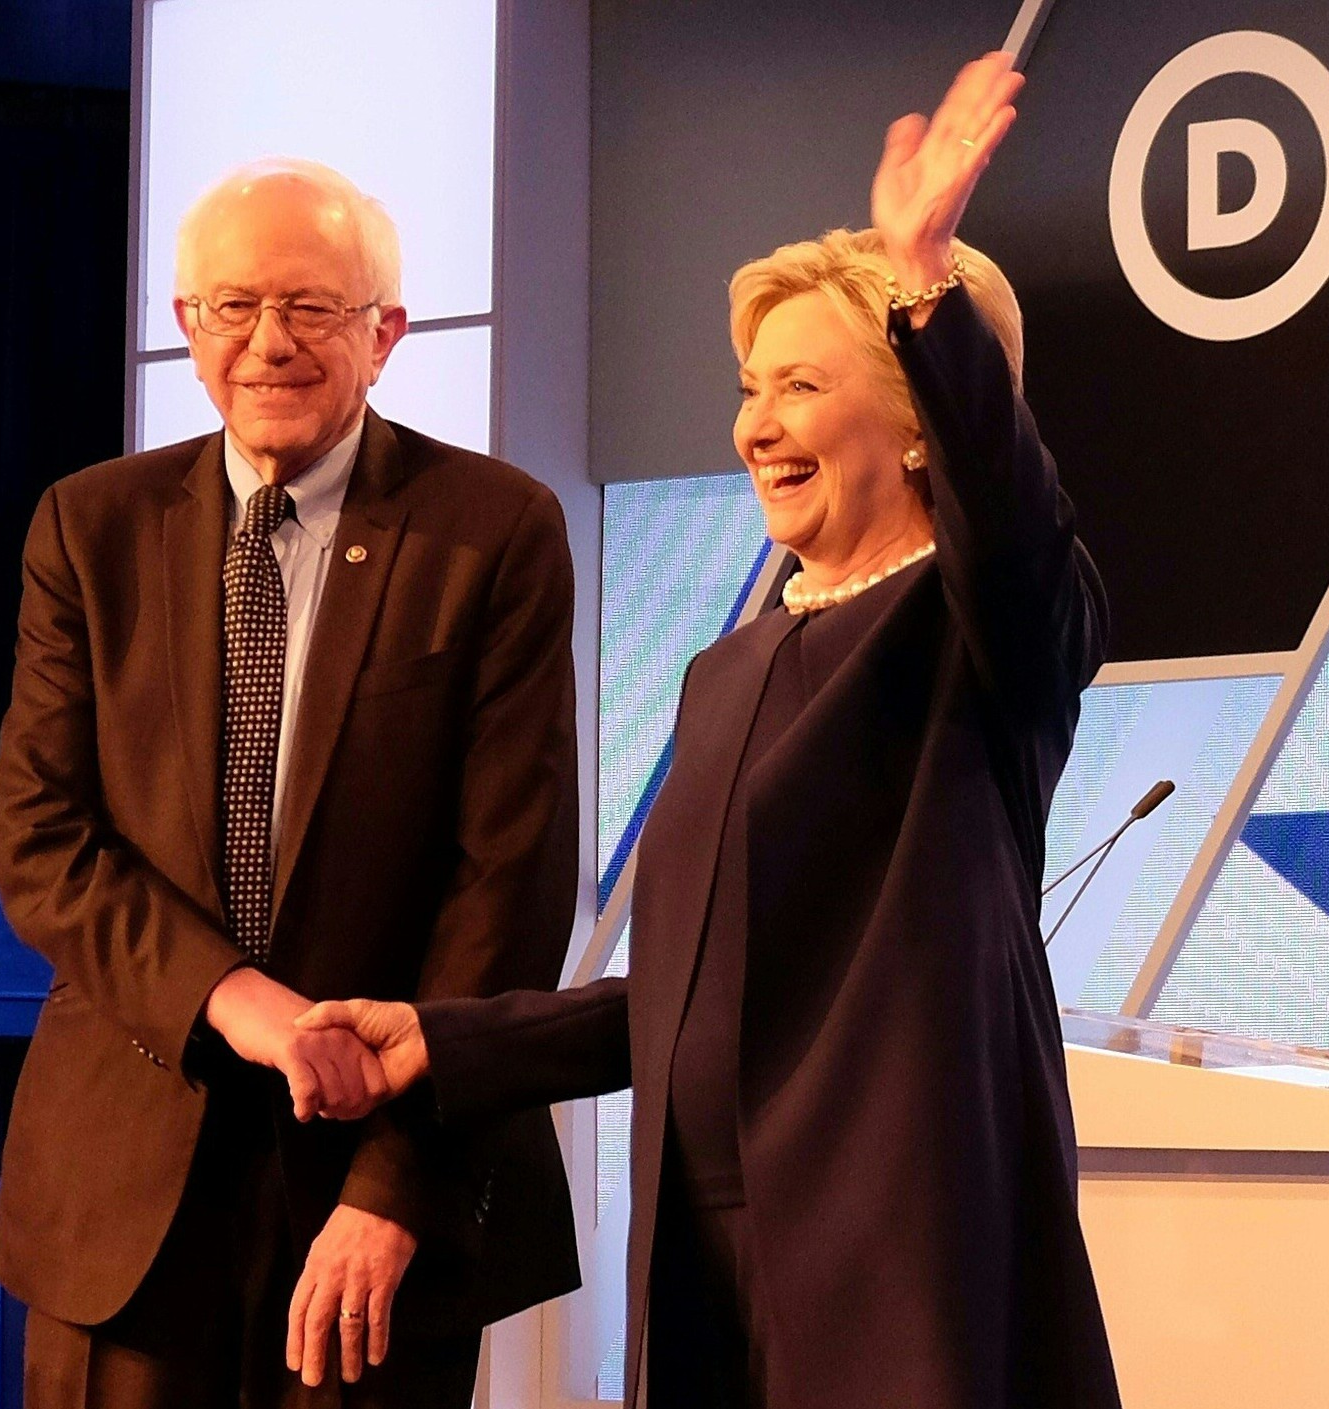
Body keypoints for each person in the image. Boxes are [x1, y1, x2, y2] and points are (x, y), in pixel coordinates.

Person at [291, 55, 1121, 1409]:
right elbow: (691, 980)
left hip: (897, 1262)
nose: (754, 427)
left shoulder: (980, 635)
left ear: (919, 425)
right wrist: (451, 1041)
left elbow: (1022, 542)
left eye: (799, 386)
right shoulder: (727, 668)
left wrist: (919, 280)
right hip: (709, 1267)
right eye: (749, 386)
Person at [0, 157, 584, 1407]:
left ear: (384, 334)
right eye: (231, 307)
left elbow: (505, 883)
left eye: (311, 308)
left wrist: (395, 1181)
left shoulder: (494, 529)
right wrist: (233, 996)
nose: (268, 343)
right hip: (122, 1188)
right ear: (186, 327)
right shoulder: (88, 527)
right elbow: (37, 836)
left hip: (369, 1195)